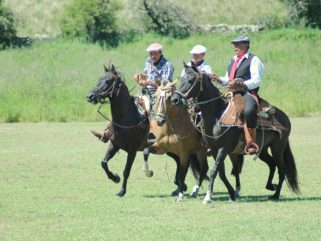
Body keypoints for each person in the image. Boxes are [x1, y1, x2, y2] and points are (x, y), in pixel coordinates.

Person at [91, 42, 174, 143]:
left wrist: (148, 82)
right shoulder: (148, 61)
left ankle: (152, 133)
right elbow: (146, 75)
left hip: (159, 93)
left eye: (155, 53)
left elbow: (165, 84)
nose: (153, 56)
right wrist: (139, 77)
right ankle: (108, 131)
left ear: (160, 53)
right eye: (151, 53)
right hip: (145, 91)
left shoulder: (167, 65)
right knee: (126, 106)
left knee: (150, 108)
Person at [212, 36, 264, 154]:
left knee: (249, 110)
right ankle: (209, 141)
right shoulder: (233, 59)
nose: (235, 47)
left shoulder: (254, 59)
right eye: (234, 45)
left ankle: (251, 142)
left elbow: (257, 80)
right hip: (231, 93)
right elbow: (227, 79)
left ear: (245, 45)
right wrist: (218, 79)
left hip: (247, 93)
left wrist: (240, 83)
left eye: (238, 44)